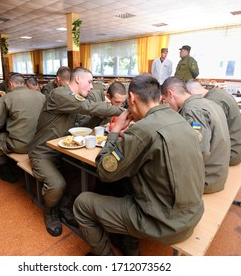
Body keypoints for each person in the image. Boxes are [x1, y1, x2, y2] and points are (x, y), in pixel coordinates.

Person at [73, 73, 205, 256]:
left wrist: (116, 131)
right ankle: (128, 244)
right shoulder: (181, 119)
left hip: (163, 224)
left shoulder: (141, 131)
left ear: (132, 98)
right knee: (120, 184)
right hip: (192, 215)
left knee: (82, 204)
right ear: (159, 98)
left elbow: (104, 170)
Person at [29, 67, 124, 237]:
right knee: (57, 184)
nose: (91, 87)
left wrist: (100, 116)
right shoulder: (59, 94)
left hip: (62, 151)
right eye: (89, 82)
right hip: (43, 152)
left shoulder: (74, 99)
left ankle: (65, 207)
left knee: (84, 174)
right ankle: (50, 212)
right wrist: (124, 112)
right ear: (78, 79)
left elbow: (83, 127)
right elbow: (88, 107)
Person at [161, 76, 230, 194]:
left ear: (170, 94)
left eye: (164, 100)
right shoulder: (207, 103)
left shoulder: (192, 111)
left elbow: (198, 149)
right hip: (217, 173)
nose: (166, 104)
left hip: (207, 180)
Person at [0, 73, 46, 183]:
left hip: (22, 146)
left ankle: (5, 170)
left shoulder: (6, 98)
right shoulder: (41, 96)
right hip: (41, 142)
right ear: (23, 83)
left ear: (11, 84)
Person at [186, 80, 241, 166]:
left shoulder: (212, 101)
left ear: (190, 93)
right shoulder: (219, 94)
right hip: (238, 147)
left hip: (232, 153)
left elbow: (204, 137)